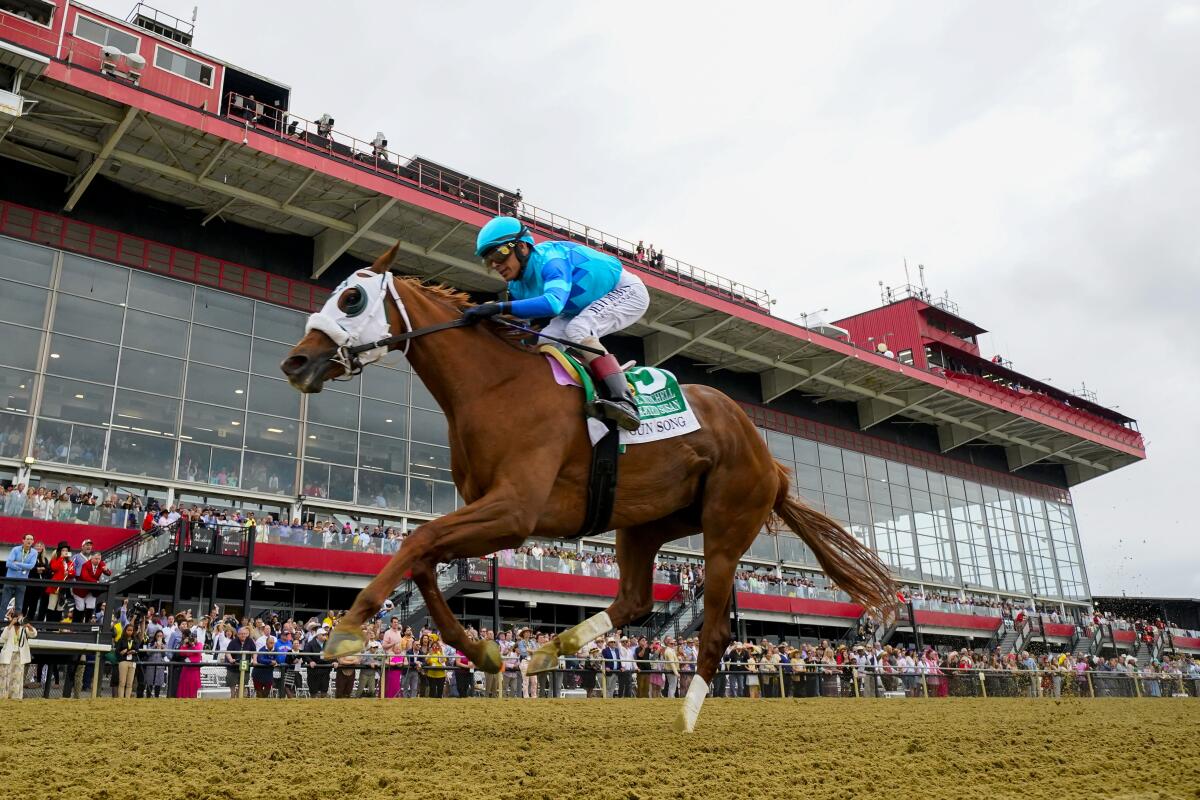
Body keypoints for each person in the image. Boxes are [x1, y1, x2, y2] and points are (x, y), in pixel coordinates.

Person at [467, 215, 651, 431]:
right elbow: (525, 331)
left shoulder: (551, 260)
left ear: (523, 248)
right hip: (578, 307)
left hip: (625, 291)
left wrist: (498, 307)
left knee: (578, 329)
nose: (496, 264)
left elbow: (553, 304)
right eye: (489, 261)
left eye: (500, 254)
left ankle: (624, 401)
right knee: (543, 345)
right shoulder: (516, 286)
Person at [0, 610, 36, 699]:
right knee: (5, 676)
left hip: (19, 656)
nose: (20, 620)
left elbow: (34, 634)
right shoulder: (7, 628)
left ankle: (15, 697)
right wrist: (11, 623)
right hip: (8, 656)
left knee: (16, 677)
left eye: (21, 618)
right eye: (18, 618)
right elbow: (2, 639)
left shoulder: (23, 629)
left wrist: (28, 625)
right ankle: (3, 697)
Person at [2, 534, 38, 615]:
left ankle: (16, 626)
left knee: (19, 606)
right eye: (28, 539)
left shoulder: (34, 552)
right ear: (23, 540)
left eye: (31, 539)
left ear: (33, 541)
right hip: (10, 579)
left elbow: (31, 566)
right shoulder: (15, 549)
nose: (29, 541)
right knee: (4, 604)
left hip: (22, 581)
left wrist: (17, 563)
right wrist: (22, 568)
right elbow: (8, 563)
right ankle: (1, 624)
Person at [302, 628, 333, 697]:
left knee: (324, 691)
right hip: (314, 671)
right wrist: (310, 661)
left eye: (326, 634)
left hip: (325, 670)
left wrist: (335, 661)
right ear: (318, 635)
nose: (325, 636)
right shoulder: (310, 644)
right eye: (323, 634)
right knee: (313, 691)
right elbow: (305, 654)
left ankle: (323, 706)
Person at [115, 624, 141, 698]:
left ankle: (127, 699)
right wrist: (122, 652)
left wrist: (134, 652)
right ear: (125, 630)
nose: (130, 632)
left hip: (132, 662)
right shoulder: (121, 640)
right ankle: (121, 698)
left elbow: (137, 650)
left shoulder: (135, 640)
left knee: (130, 683)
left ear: (133, 631)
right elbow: (117, 652)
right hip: (123, 661)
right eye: (128, 630)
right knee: (122, 682)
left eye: (131, 630)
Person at [142, 630, 168, 697]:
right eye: (158, 636)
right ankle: (148, 697)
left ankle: (157, 697)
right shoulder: (150, 643)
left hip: (160, 665)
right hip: (151, 665)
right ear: (155, 636)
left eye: (161, 636)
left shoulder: (165, 644)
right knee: (149, 682)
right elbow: (148, 653)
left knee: (158, 683)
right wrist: (154, 646)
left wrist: (162, 648)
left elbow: (165, 655)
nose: (159, 637)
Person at [176, 633, 203, 698]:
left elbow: (198, 651)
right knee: (185, 683)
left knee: (194, 684)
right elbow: (182, 653)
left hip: (194, 669)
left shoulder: (199, 644)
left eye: (194, 637)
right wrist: (184, 644)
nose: (193, 639)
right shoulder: (187, 645)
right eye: (191, 638)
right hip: (186, 668)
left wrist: (193, 645)